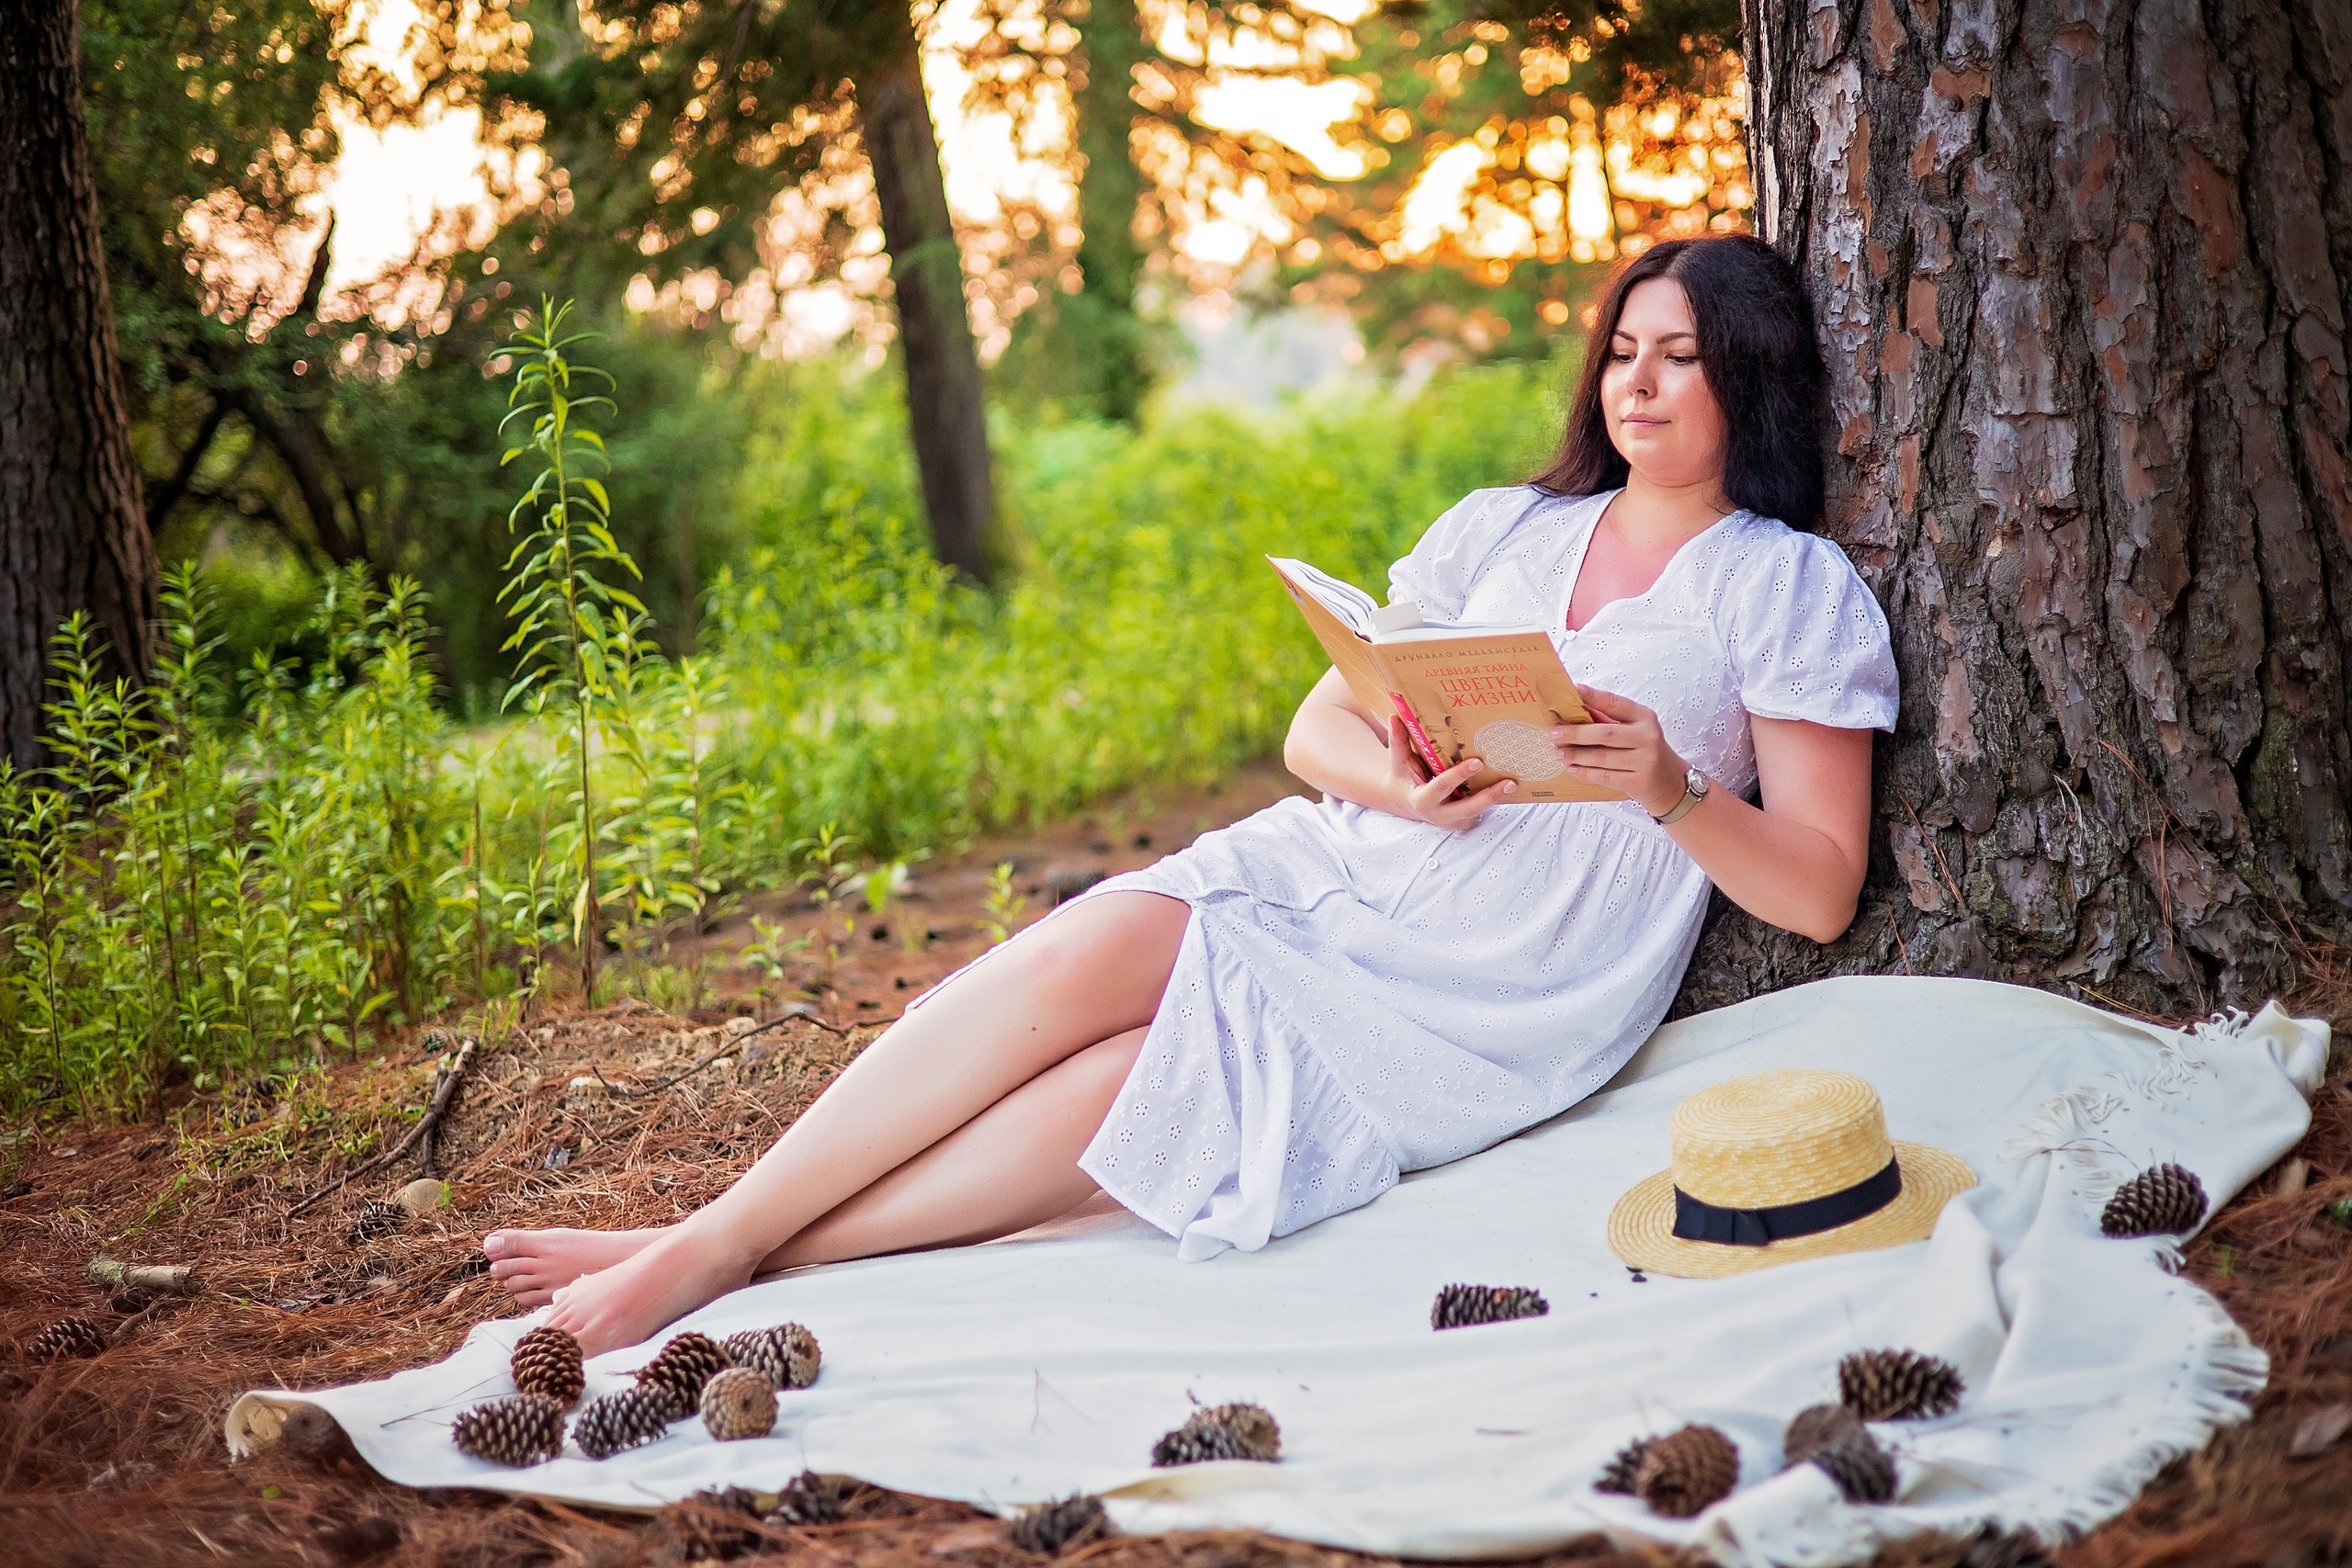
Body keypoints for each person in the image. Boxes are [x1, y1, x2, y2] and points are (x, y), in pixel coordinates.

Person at [483, 233, 1900, 1356]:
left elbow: (1823, 890)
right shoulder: (1510, 528)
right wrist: (1411, 791)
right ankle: (718, 1233)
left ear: (1753, 379)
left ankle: (723, 1252)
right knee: (1098, 937)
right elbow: (1316, 728)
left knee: (1128, 1092)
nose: (1637, 385)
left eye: (1684, 359)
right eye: (1623, 355)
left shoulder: (1785, 587)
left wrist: (1669, 786)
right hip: (1356, 865)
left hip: (1491, 985)